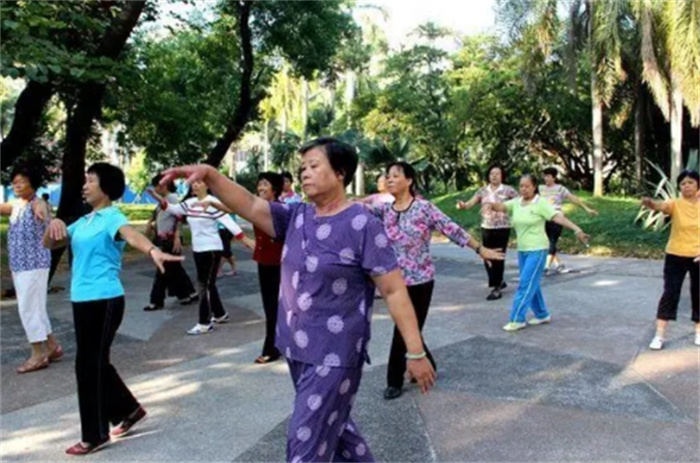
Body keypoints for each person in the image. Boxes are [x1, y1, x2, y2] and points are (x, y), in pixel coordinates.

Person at [161, 137, 435, 463]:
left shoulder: (363, 224)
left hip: (335, 354)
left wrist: (415, 352)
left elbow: (393, 290)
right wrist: (210, 174)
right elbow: (248, 204)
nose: (304, 173)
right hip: (296, 348)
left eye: (314, 166)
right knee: (337, 429)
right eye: (302, 167)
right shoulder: (296, 217)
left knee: (304, 444)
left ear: (340, 173)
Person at [43, 163, 183, 455]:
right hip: (81, 299)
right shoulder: (84, 221)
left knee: (88, 364)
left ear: (105, 187)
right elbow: (50, 243)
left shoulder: (112, 218)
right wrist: (52, 227)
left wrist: (152, 250)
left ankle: (94, 434)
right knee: (96, 362)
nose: (84, 185)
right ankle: (129, 410)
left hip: (105, 300)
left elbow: (131, 235)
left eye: (90, 180)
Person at [375, 161, 505, 400]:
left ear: (409, 180)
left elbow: (451, 228)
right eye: (388, 176)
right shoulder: (383, 211)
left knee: (402, 329)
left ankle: (394, 380)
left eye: (395, 176)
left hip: (421, 281)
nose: (389, 179)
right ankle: (427, 362)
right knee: (409, 327)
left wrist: (480, 249)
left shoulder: (424, 208)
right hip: (395, 283)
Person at [485, 174, 589, 332]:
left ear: (534, 187)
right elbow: (502, 207)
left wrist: (577, 229)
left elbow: (557, 217)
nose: (523, 189)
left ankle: (517, 319)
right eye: (521, 186)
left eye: (527, 186)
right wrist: (489, 205)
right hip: (523, 251)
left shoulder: (541, 203)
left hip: (538, 250)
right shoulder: (517, 202)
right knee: (532, 283)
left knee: (525, 284)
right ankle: (542, 314)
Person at [149, 180, 254, 335]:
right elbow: (173, 209)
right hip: (198, 249)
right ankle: (219, 314)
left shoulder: (212, 202)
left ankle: (204, 322)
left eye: (199, 183)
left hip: (211, 249)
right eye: (194, 183)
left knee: (204, 285)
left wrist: (244, 239)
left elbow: (227, 221)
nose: (195, 185)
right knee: (208, 284)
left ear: (207, 186)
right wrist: (157, 197)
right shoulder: (190, 203)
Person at [0, 165, 63, 373]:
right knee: (36, 307)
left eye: (21, 181)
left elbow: (44, 214)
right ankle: (52, 346)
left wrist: (48, 219)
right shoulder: (18, 205)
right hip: (21, 265)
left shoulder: (38, 203)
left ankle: (38, 354)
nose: (16, 185)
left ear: (32, 183)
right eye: (14, 182)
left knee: (29, 309)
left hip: (34, 265)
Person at [642, 169, 700, 350]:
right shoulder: (675, 203)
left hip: (698, 256)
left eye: (690, 182)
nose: (687, 186)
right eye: (683, 183)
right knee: (670, 293)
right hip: (675, 255)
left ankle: (699, 333)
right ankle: (659, 336)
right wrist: (651, 203)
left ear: (698, 185)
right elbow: (661, 206)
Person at [456, 165, 518, 300]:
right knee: (486, 257)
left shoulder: (509, 191)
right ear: (488, 176)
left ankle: (496, 288)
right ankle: (499, 281)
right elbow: (469, 204)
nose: (494, 176)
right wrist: (462, 205)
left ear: (502, 176)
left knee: (499, 256)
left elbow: (520, 202)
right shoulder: (482, 191)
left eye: (497, 173)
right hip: (487, 227)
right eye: (491, 174)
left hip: (503, 227)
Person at [143, 174, 198, 311]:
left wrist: (177, 236)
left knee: (163, 269)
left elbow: (179, 217)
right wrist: (151, 223)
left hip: (169, 239)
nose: (156, 189)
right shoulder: (164, 200)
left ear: (164, 185)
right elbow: (158, 215)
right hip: (162, 239)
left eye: (157, 185)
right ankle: (188, 294)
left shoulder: (172, 198)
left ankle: (156, 300)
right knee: (174, 269)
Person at [540, 167, 598, 275]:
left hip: (558, 218)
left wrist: (586, 208)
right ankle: (558, 265)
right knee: (546, 243)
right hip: (543, 219)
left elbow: (573, 198)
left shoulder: (560, 188)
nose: (545, 178)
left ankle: (546, 267)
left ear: (554, 177)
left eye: (548, 176)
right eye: (544, 176)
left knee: (552, 241)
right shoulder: (540, 188)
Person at [252, 172, 285, 364]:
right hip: (264, 262)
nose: (261, 188)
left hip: (280, 264)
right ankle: (276, 345)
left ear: (275, 188)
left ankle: (272, 348)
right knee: (271, 307)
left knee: (278, 307)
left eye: (265, 184)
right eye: (260, 184)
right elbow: (235, 207)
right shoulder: (257, 206)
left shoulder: (280, 209)